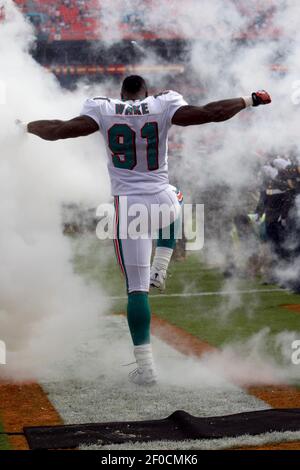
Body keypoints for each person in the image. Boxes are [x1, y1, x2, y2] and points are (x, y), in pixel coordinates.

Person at [20, 75, 271, 385]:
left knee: (136, 291)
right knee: (176, 196)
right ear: (146, 93)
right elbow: (210, 112)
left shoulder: (103, 107)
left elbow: (59, 130)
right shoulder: (162, 103)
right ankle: (161, 266)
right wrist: (250, 100)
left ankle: (147, 368)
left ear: (122, 94)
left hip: (128, 207)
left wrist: (26, 128)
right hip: (162, 198)